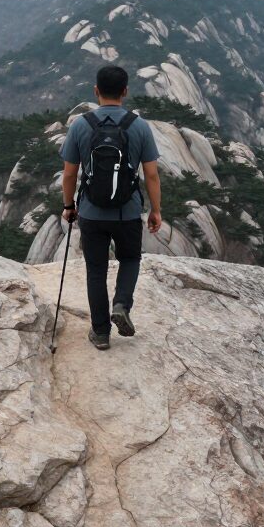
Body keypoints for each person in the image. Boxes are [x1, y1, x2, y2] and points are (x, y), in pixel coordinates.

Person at [60, 65, 162, 350]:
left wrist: (69, 206)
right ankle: (121, 304)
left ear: (96, 91)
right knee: (130, 260)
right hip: (127, 212)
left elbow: (69, 174)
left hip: (91, 213)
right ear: (125, 91)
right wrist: (155, 210)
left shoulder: (81, 125)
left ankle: (101, 333)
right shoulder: (139, 126)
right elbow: (152, 174)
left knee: (96, 270)